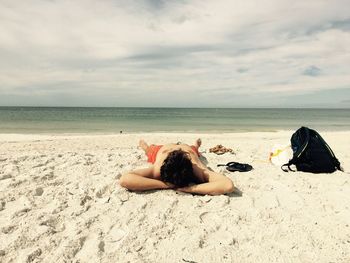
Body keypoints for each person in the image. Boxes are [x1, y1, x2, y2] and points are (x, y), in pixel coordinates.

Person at [119, 139, 234, 195]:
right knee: (149, 150)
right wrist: (165, 185)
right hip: (185, 149)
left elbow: (228, 186)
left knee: (150, 152)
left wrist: (187, 189)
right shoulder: (199, 170)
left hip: (165, 149)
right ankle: (145, 147)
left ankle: (196, 146)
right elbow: (125, 179)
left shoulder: (198, 169)